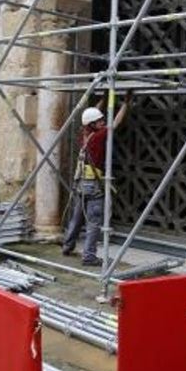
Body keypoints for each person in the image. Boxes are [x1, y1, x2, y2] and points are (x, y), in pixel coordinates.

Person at [62, 92, 133, 266]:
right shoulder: (100, 136)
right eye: (100, 121)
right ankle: (89, 256)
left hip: (80, 184)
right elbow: (115, 123)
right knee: (94, 221)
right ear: (93, 124)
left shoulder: (84, 134)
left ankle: (67, 245)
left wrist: (104, 99)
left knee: (77, 217)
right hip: (93, 185)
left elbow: (91, 115)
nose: (103, 122)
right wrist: (126, 104)